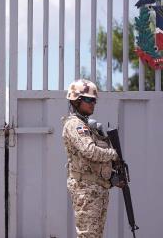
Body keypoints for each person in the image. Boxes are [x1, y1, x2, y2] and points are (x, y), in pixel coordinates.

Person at [62, 79, 119, 238]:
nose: (93, 103)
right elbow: (89, 150)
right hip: (85, 189)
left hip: (97, 188)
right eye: (89, 100)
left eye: (94, 100)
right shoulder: (74, 124)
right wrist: (112, 154)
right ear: (76, 100)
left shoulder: (88, 126)